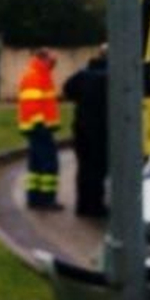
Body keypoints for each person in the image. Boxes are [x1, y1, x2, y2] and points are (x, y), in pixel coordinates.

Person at [62, 46, 109, 218]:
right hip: (103, 129)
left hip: (82, 127)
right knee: (99, 169)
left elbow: (67, 90)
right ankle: (95, 206)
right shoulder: (112, 76)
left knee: (84, 168)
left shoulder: (82, 75)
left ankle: (82, 205)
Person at [17, 48, 61, 210]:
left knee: (35, 165)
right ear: (43, 59)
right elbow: (32, 105)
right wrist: (41, 125)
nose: (54, 64)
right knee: (49, 164)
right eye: (52, 60)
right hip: (39, 128)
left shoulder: (40, 74)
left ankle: (34, 198)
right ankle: (47, 200)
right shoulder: (35, 76)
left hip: (37, 127)